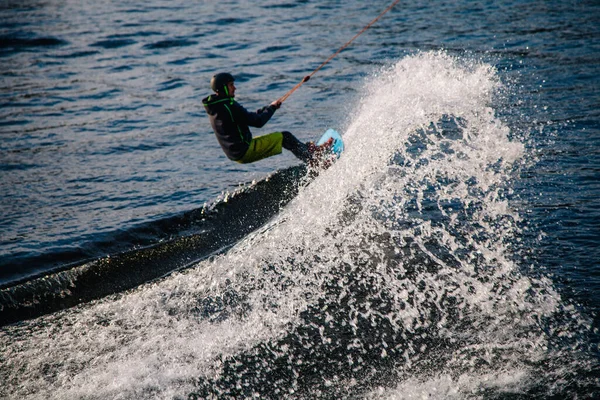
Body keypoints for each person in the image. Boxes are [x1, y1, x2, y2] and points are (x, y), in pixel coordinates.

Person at [202, 72, 331, 165]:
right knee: (284, 137)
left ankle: (311, 151)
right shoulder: (229, 106)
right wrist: (272, 108)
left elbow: (249, 117)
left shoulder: (218, 106)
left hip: (236, 153)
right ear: (224, 87)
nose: (234, 88)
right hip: (244, 150)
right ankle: (315, 162)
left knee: (284, 137)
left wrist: (269, 107)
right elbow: (258, 122)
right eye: (231, 85)